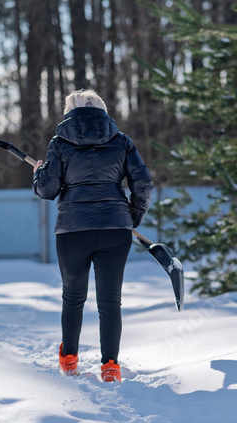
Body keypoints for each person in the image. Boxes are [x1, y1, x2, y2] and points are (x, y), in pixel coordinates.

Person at [33, 89, 153, 382]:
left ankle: (69, 360)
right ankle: (110, 367)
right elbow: (144, 184)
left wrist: (39, 173)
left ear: (69, 110)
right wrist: (130, 218)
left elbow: (48, 191)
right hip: (115, 231)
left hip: (74, 231)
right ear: (102, 110)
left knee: (72, 297)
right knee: (110, 301)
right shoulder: (121, 141)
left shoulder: (59, 143)